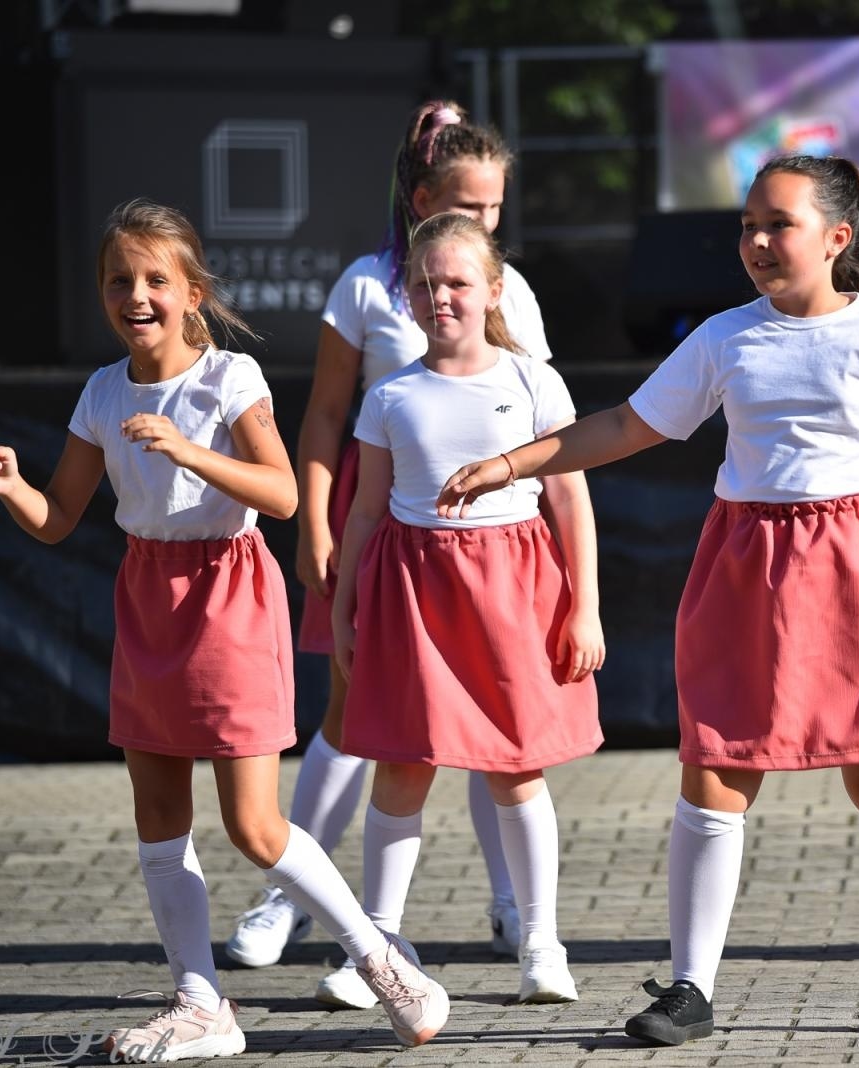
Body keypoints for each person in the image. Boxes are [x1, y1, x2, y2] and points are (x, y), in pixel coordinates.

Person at [439, 155, 859, 1045]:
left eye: (779, 224)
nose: (758, 242)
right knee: (717, 770)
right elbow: (627, 425)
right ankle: (689, 990)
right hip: (750, 571)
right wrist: (513, 464)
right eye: (747, 226)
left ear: (838, 238)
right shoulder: (726, 337)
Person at [0, 200, 450, 1059]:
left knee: (255, 826)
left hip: (229, 593)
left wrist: (191, 451)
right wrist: (13, 489)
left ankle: (381, 961)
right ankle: (202, 1004)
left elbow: (284, 495)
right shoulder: (101, 391)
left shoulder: (229, 380)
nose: (136, 295)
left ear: (193, 293)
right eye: (120, 280)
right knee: (158, 817)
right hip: (145, 595)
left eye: (157, 279)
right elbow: (59, 517)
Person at [226, 100, 555, 1004]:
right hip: (389, 547)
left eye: (493, 210)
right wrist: (322, 531)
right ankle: (293, 894)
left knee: (499, 738)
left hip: (492, 559)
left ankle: (516, 914)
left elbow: (536, 424)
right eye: (463, 203)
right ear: (419, 198)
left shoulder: (507, 289)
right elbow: (329, 417)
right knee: (354, 720)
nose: (482, 223)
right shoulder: (368, 288)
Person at [334, 211, 603, 1004]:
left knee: (517, 772)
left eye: (456, 281)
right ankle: (377, 950)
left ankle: (540, 945)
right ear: (405, 298)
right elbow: (364, 511)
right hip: (412, 596)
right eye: (423, 283)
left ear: (493, 290)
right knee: (402, 766)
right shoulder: (388, 394)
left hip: (516, 593)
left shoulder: (532, 381)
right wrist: (346, 604)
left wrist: (583, 608)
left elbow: (570, 499)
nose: (439, 295)